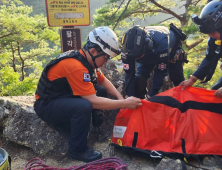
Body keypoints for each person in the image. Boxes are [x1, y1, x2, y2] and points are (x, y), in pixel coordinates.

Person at [33, 26, 142, 163]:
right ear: (93, 51)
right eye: (106, 57)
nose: (106, 61)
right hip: (46, 105)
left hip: (60, 96)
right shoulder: (76, 66)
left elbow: (102, 80)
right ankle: (77, 150)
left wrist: (120, 97)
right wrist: (124, 103)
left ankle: (93, 127)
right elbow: (93, 101)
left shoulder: (86, 59)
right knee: (84, 105)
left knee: (100, 91)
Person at [121, 24, 187, 99]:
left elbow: (160, 72)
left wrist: (152, 95)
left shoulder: (162, 45)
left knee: (178, 81)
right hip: (148, 52)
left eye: (139, 58)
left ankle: (184, 103)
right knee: (140, 79)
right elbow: (129, 73)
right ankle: (140, 102)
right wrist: (130, 96)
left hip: (170, 48)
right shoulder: (126, 51)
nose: (137, 60)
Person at [179, 0, 222, 98]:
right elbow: (209, 58)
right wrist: (192, 79)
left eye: (212, 32)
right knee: (215, 95)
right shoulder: (214, 39)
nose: (210, 35)